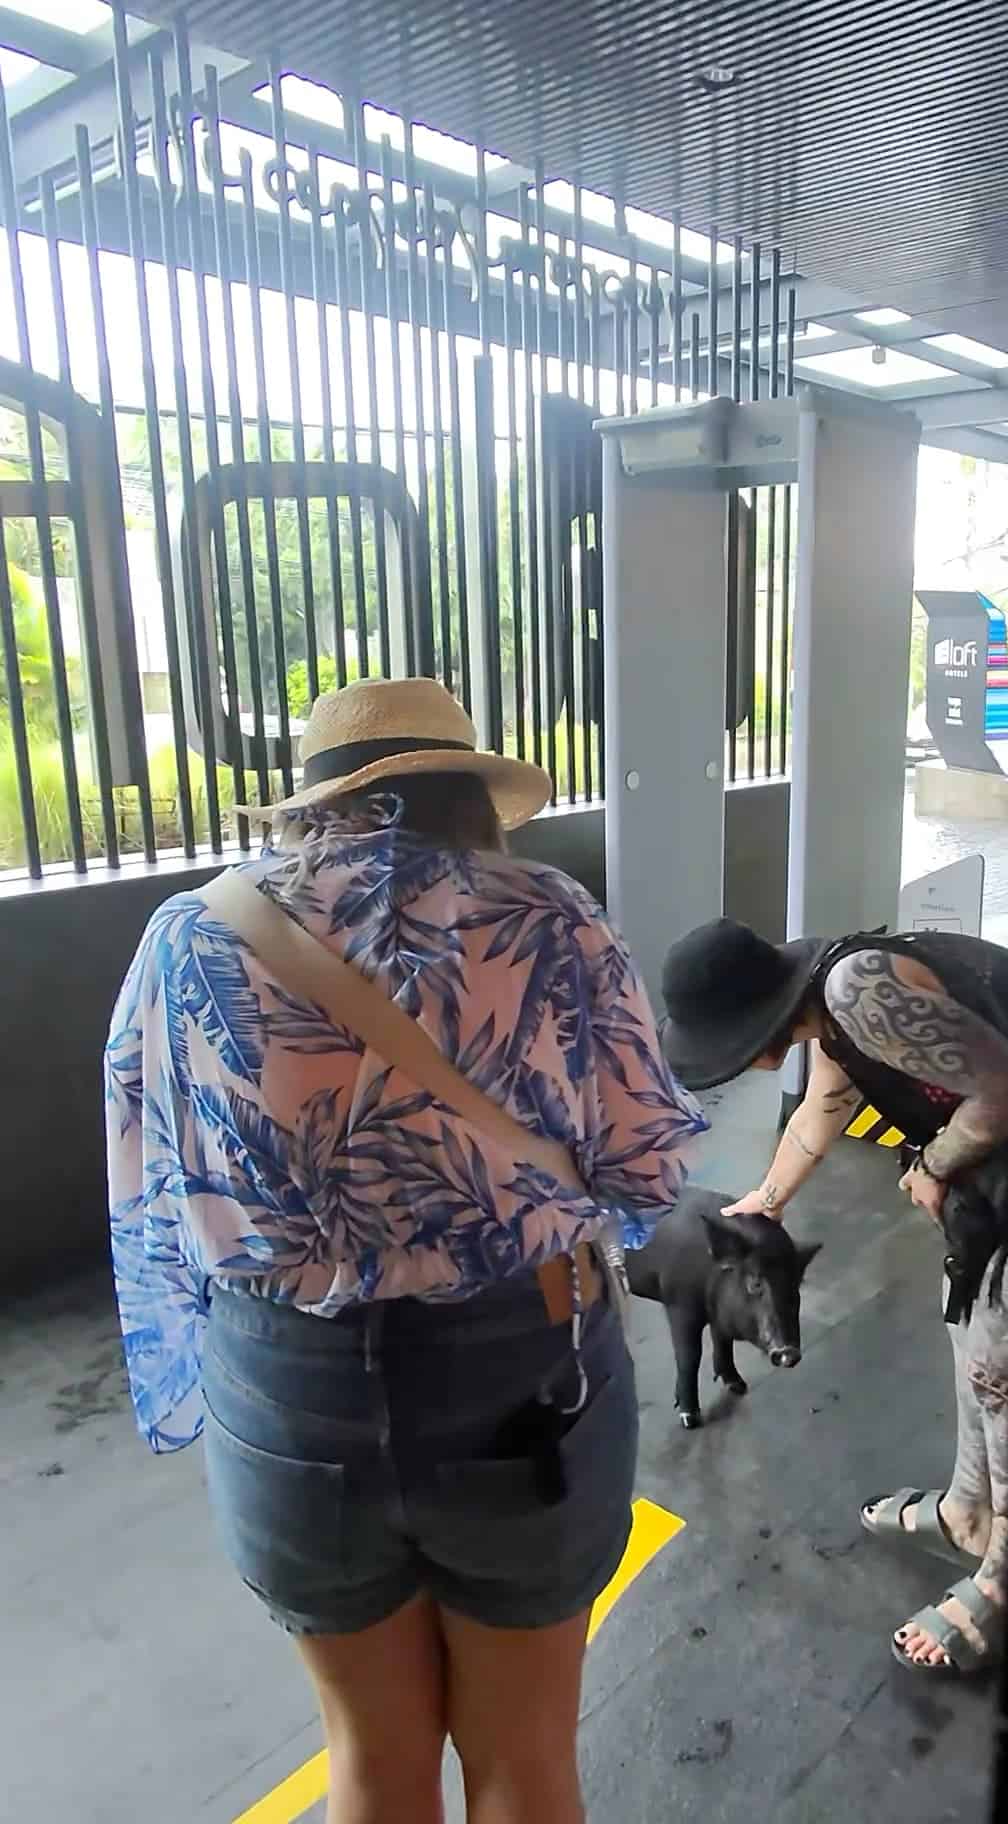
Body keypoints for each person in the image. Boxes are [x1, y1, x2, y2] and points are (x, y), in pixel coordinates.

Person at [104, 677, 705, 1824]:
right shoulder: (549, 919)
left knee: (369, 1761)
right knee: (524, 1761)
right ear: (469, 793)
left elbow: (147, 1182)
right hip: (524, 1370)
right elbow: (644, 1170)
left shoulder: (185, 938)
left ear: (308, 803)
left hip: (283, 1381)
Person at [658, 915, 1008, 1678]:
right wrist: (764, 1201)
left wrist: (932, 1165)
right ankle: (968, 1510)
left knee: (1003, 1357)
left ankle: (1006, 1572)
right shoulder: (833, 1011)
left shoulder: (857, 990)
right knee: (967, 1322)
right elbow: (822, 1111)